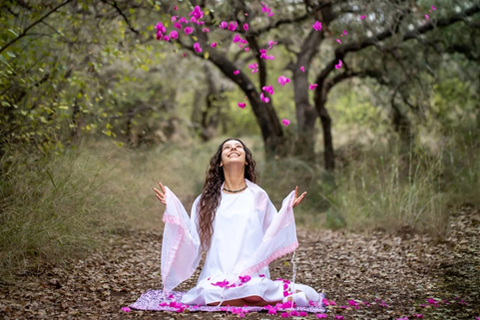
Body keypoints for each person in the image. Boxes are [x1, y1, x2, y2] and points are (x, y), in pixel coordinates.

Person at [153, 138, 320, 307]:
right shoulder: (205, 200)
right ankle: (283, 300)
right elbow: (193, 237)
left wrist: (287, 210)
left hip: (251, 273)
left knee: (253, 288)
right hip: (217, 274)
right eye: (227, 147)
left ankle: (257, 297)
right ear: (219, 162)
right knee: (207, 292)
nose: (233, 148)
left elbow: (273, 230)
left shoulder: (258, 195)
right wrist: (173, 208)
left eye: (238, 146)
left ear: (246, 160)